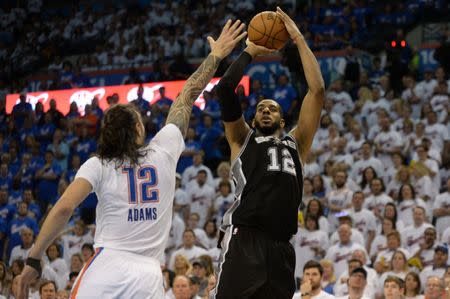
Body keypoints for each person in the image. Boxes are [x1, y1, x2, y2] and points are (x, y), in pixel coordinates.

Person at [17, 20, 247, 299]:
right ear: (139, 129)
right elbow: (186, 97)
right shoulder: (163, 151)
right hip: (148, 274)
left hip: (107, 265)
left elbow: (65, 207)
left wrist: (34, 257)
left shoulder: (98, 163)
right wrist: (215, 56)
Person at [212, 8, 324, 299]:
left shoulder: (296, 143)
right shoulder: (242, 139)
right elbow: (225, 90)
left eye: (272, 108)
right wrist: (249, 51)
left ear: (283, 121)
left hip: (282, 248)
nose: (265, 110)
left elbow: (317, 91)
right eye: (260, 107)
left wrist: (298, 38)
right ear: (252, 118)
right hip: (245, 239)